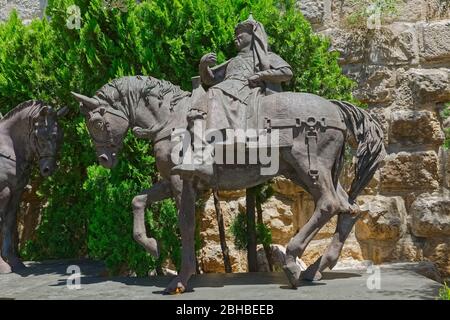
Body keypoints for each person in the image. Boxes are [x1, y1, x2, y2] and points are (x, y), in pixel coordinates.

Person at [172, 14, 293, 180]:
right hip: (229, 90)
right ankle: (201, 150)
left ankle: (206, 152)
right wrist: (203, 64)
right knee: (204, 98)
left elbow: (286, 72)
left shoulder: (266, 57)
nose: (236, 38)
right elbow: (210, 79)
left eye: (240, 35)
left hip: (247, 92)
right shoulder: (232, 61)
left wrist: (261, 75)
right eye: (235, 36)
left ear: (253, 37)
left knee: (214, 93)